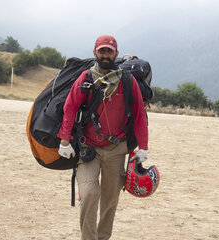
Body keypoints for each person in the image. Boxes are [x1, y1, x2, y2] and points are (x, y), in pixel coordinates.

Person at [57, 35, 148, 240]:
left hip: (117, 150)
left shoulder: (127, 80)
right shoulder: (86, 78)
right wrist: (64, 140)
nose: (105, 55)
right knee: (89, 194)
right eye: (102, 51)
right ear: (95, 53)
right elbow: (70, 107)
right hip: (89, 148)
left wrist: (143, 147)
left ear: (116, 53)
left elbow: (139, 113)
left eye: (109, 51)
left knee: (110, 201)